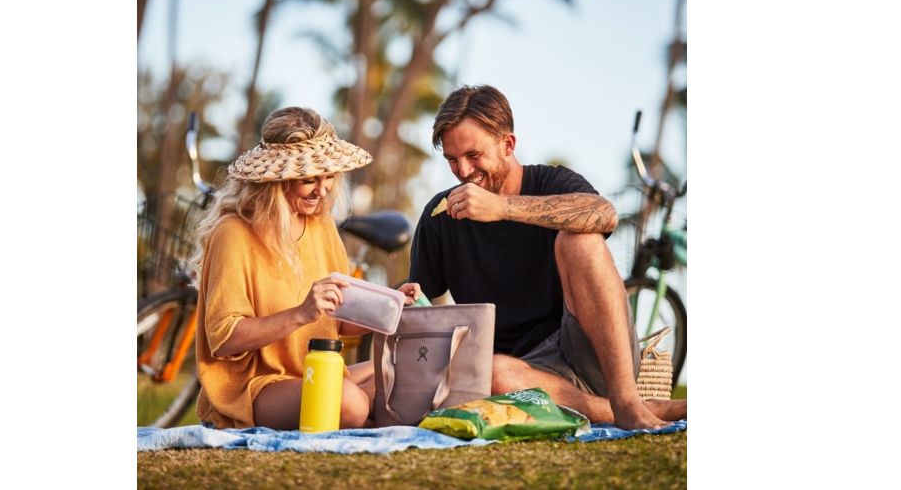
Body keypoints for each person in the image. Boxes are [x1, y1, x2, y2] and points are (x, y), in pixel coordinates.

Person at [409, 85, 686, 429]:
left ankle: (628, 400)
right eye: (452, 159)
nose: (463, 171)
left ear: (508, 145)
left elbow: (605, 215)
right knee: (493, 374)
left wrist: (503, 208)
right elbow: (427, 309)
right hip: (518, 377)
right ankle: (651, 410)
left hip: (589, 355)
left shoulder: (552, 180)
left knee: (579, 240)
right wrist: (414, 302)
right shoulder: (439, 216)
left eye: (473, 155)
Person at [190, 107, 422, 430]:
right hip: (257, 388)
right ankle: (368, 413)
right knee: (351, 403)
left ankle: (371, 412)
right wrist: (301, 313)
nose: (323, 189)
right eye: (309, 179)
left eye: (328, 176)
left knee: (411, 376)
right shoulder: (233, 234)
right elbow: (224, 338)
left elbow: (340, 321)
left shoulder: (320, 225)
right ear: (275, 179)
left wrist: (391, 303)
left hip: (319, 372)